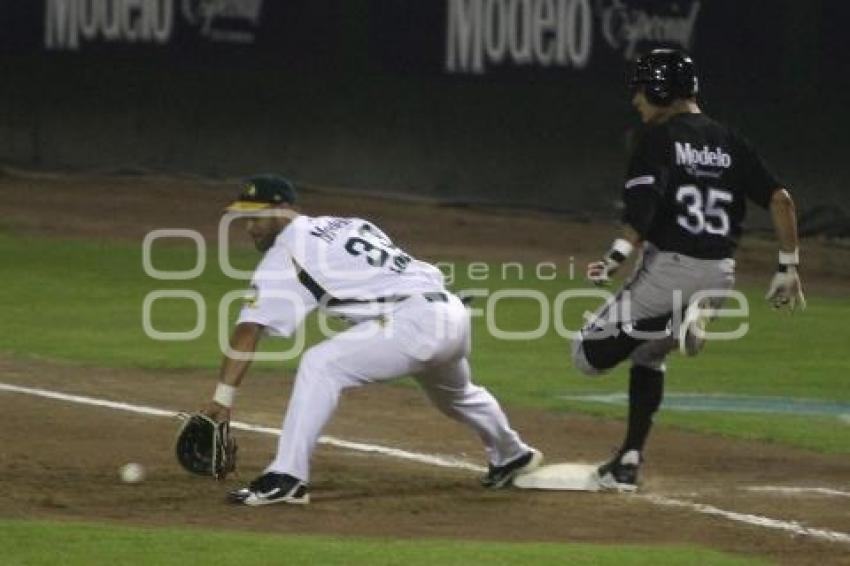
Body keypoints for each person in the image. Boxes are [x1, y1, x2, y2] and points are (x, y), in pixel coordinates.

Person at [201, 175, 541, 506]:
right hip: (447, 311)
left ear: (284, 209)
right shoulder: (349, 225)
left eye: (257, 216)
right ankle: (511, 455)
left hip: (417, 322)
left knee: (320, 364)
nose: (249, 226)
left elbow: (249, 330)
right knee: (458, 395)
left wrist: (222, 397)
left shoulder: (285, 255)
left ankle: (287, 477)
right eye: (245, 217)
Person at [571, 49, 805, 492]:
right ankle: (629, 460)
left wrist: (616, 257)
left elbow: (642, 210)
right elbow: (781, 200)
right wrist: (788, 265)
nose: (636, 99)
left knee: (586, 355)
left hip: (668, 271)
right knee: (648, 354)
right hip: (719, 274)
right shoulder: (730, 141)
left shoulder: (657, 139)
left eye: (641, 88)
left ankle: (672, 319)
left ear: (661, 89)